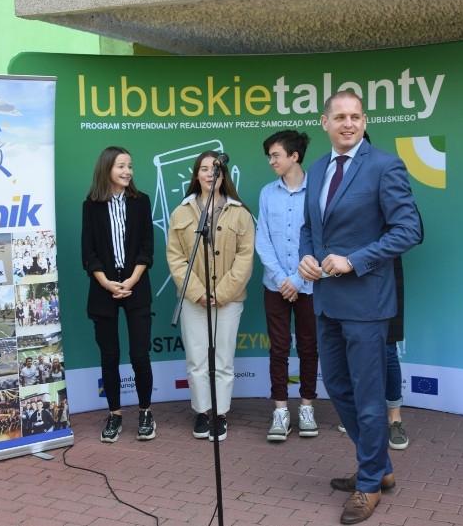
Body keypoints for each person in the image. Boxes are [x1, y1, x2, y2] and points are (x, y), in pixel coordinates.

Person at [298, 91, 423, 524]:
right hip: (326, 303)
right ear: (325, 122)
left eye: (355, 116)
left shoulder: (384, 165)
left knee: (369, 399)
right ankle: (381, 467)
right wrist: (306, 256)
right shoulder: (316, 170)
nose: (348, 123)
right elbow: (308, 228)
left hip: (367, 302)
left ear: (365, 120)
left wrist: (355, 259)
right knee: (337, 386)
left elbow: (410, 229)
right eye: (340, 117)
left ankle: (369, 483)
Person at [166, 150, 254, 442]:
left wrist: (222, 293)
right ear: (196, 175)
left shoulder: (240, 213)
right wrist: (198, 293)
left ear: (223, 174)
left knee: (223, 360)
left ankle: (220, 414)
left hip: (229, 300)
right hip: (193, 301)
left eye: (214, 168)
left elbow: (245, 258)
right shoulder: (181, 212)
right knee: (197, 360)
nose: (209, 173)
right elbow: (176, 258)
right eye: (203, 169)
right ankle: (202, 412)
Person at [82, 146, 157, 442]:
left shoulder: (141, 202)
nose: (127, 171)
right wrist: (107, 283)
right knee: (109, 355)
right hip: (103, 290)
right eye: (121, 166)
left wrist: (131, 279)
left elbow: (146, 249)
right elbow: (88, 253)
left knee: (140, 354)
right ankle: (114, 414)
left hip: (136, 286)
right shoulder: (91, 205)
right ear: (107, 170)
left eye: (130, 165)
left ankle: (146, 412)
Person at [255, 130, 319, 441]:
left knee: (309, 347)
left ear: (294, 156)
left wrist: (297, 279)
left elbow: (321, 241)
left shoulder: (317, 191)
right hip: (275, 285)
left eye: (276, 155)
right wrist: (282, 279)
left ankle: (306, 406)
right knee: (279, 348)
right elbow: (262, 240)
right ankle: (280, 410)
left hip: (309, 285)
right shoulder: (267, 193)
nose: (271, 161)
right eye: (270, 156)